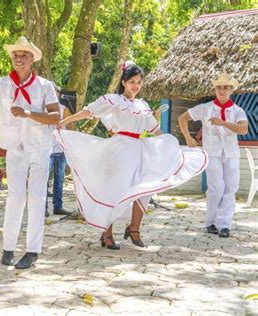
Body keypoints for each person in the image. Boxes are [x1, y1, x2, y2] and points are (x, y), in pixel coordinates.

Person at [55, 61, 208, 250]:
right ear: (124, 82)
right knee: (113, 190)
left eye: (139, 82)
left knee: (145, 188)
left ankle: (134, 228)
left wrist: (171, 144)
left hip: (138, 150)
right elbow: (89, 112)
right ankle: (107, 233)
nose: (135, 86)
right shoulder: (115, 101)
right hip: (119, 150)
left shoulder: (142, 105)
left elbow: (154, 129)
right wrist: (64, 121)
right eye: (132, 82)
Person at [0, 36, 60, 269]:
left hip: (39, 149)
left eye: (23, 54)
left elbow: (56, 117)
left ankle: (32, 250)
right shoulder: (1, 83)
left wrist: (28, 114)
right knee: (15, 198)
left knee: (36, 199)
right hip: (15, 149)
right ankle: (8, 247)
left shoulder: (45, 86)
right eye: (15, 54)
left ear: (32, 60)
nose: (18, 57)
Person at [179, 73, 248, 238]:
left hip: (231, 153)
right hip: (212, 153)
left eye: (225, 87)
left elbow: (244, 129)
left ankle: (225, 224)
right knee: (216, 188)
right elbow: (183, 118)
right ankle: (211, 222)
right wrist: (188, 138)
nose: (222, 91)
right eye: (219, 87)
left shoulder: (238, 111)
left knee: (230, 188)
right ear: (215, 90)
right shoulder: (205, 108)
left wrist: (223, 123)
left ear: (231, 90)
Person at [45, 83, 72, 217]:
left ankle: (58, 206)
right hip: (46, 148)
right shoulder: (42, 109)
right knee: (43, 178)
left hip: (60, 148)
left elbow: (68, 124)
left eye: (56, 91)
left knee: (59, 178)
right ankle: (42, 207)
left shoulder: (64, 108)